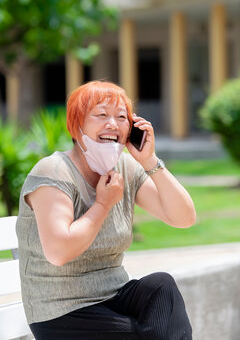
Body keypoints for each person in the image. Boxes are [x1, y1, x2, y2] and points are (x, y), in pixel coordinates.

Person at [16, 80, 196, 340]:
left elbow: (184, 218)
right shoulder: (54, 171)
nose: (113, 124)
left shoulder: (126, 167)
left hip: (115, 295)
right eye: (101, 115)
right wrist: (102, 204)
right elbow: (59, 252)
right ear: (77, 126)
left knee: (161, 285)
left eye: (121, 117)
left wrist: (149, 161)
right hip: (63, 312)